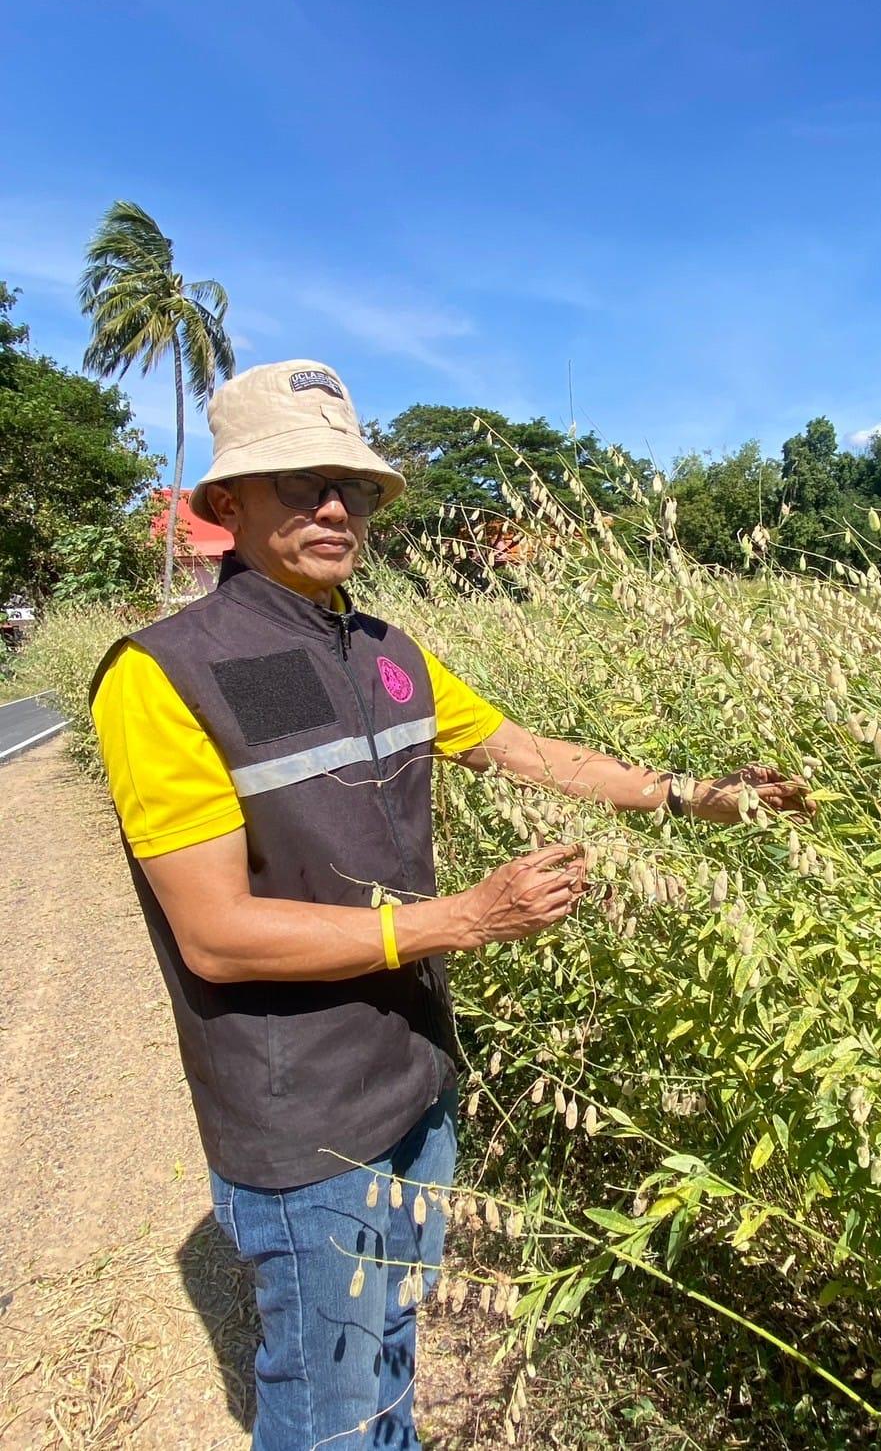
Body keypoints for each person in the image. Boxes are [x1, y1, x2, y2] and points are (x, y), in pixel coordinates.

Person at [90, 360, 812, 1450]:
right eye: (300, 483)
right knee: (330, 1412)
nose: (335, 507)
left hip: (416, 1077)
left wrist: (693, 795)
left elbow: (528, 752)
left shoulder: (388, 653)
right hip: (302, 1118)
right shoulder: (165, 674)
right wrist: (465, 919)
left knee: (391, 1350)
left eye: (352, 486)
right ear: (227, 504)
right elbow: (218, 935)